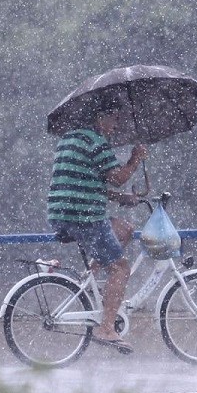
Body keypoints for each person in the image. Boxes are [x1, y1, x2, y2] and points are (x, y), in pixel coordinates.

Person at [46, 96, 148, 353]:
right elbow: (117, 178)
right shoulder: (96, 141)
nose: (115, 126)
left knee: (124, 230)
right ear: (99, 117)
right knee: (121, 268)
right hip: (85, 216)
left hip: (63, 214)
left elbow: (87, 180)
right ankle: (106, 328)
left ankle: (91, 275)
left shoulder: (70, 138)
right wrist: (136, 158)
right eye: (114, 119)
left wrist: (122, 199)